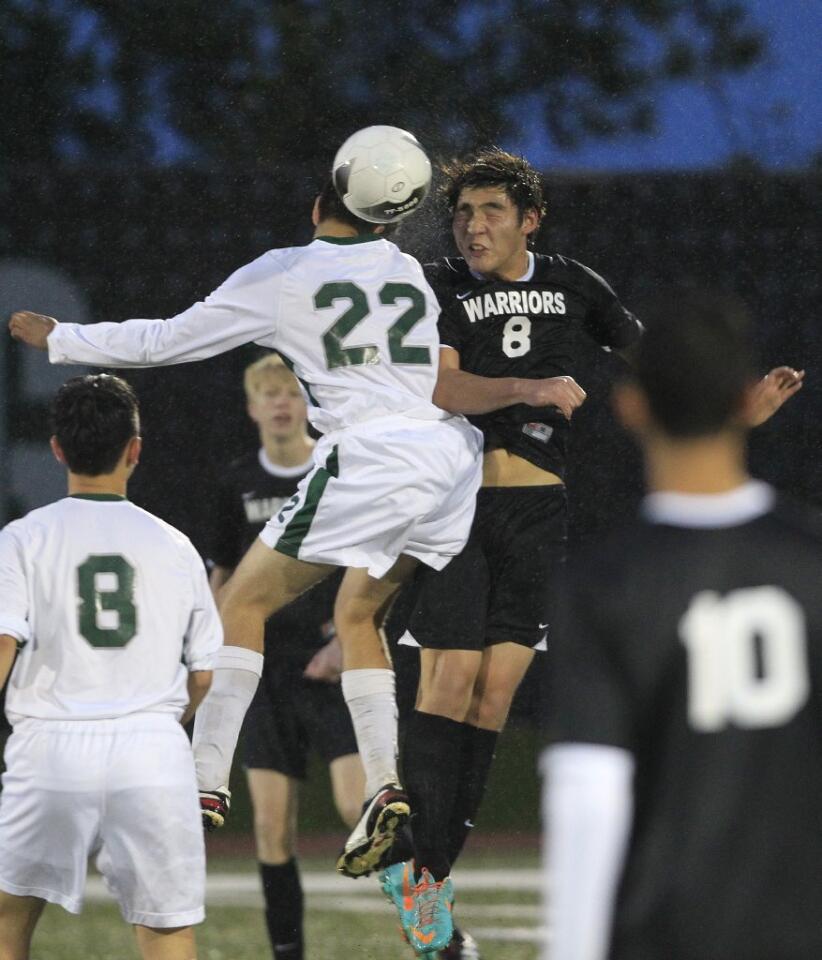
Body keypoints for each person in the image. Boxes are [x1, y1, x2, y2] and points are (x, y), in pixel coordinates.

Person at [9, 175, 579, 880]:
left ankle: (204, 779)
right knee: (358, 613)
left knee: (242, 604)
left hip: (372, 457)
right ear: (388, 219)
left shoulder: (285, 271)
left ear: (317, 211)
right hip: (449, 463)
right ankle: (384, 787)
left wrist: (60, 337)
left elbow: (166, 340)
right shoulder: (407, 270)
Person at [382, 150, 803, 956]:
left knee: (495, 695)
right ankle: (424, 890)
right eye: (465, 212)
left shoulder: (576, 284)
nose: (473, 226)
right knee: (452, 679)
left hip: (537, 508)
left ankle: (423, 874)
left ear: (530, 219)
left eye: (492, 212)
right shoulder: (437, 287)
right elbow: (443, 389)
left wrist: (733, 410)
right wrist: (527, 388)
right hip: (452, 504)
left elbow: (658, 370)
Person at [542, 288, 816, 960]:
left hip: (666, 934)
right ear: (742, 401)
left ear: (631, 408)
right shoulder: (810, 560)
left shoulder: (601, 586)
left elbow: (588, 797)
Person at [0, 374, 221, 960]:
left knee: (7, 917)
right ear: (135, 450)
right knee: (166, 927)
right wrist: (160, 724)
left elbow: (2, 646)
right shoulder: (175, 546)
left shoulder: (21, 539)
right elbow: (203, 674)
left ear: (57, 449)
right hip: (150, 746)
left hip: (48, 746)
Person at [209, 353, 364, 960]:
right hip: (266, 675)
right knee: (272, 829)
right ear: (252, 407)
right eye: (269, 394)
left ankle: (433, 933)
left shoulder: (338, 469)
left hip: (332, 666)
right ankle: (288, 955)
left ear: (308, 402)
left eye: (291, 393)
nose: (281, 403)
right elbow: (222, 576)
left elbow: (371, 561)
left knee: (362, 809)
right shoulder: (234, 482)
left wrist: (346, 640)